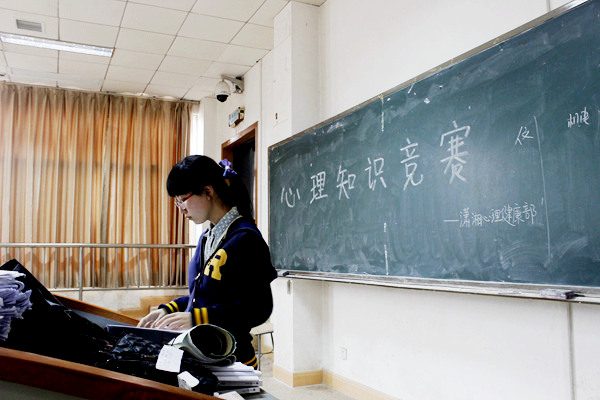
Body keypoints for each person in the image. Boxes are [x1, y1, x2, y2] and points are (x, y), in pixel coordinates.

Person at [138, 155, 277, 368]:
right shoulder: (207, 237)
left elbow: (258, 308)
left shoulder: (245, 238)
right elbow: (204, 296)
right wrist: (168, 310)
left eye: (183, 199)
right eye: (177, 201)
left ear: (208, 191)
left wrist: (198, 318)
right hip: (203, 353)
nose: (180, 208)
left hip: (233, 360)